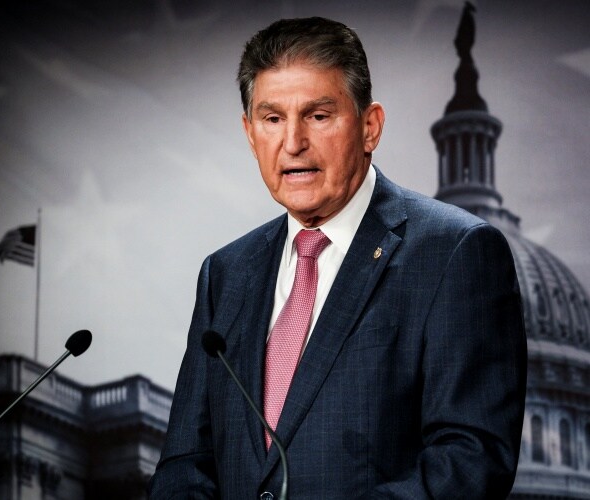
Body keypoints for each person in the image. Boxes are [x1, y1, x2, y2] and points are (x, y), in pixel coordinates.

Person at [149, 17, 527, 499]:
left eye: (318, 116)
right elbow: (184, 464)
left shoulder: (456, 252)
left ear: (370, 127)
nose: (292, 143)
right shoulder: (224, 274)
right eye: (272, 119)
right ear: (249, 133)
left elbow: (471, 461)